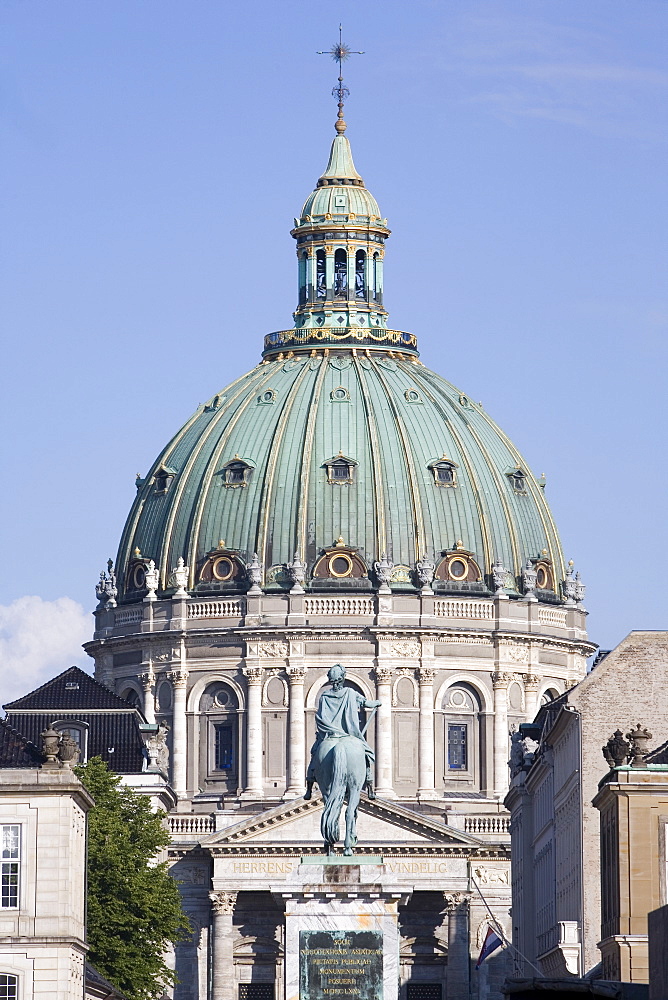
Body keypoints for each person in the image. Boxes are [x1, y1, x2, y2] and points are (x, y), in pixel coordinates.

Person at [305, 664, 381, 799]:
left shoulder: (324, 696)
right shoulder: (350, 693)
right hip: (348, 735)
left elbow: (321, 718)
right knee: (366, 755)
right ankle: (369, 785)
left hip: (329, 735)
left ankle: (309, 788)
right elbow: (366, 703)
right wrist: (377, 703)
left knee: (315, 753)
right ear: (342, 678)